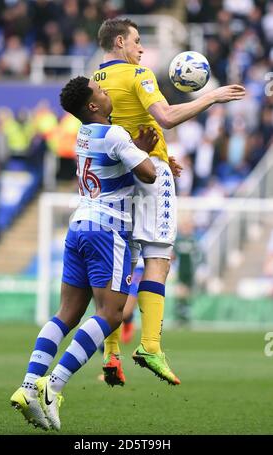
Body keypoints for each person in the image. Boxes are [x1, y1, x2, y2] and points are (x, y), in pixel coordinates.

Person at [95, 18, 245, 386]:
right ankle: (149, 345)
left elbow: (118, 130)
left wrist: (157, 150)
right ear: (120, 42)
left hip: (118, 176)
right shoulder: (138, 74)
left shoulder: (93, 83)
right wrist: (210, 96)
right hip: (149, 176)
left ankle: (111, 353)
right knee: (159, 257)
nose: (141, 48)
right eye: (137, 40)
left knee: (124, 265)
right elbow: (165, 116)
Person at [10, 76, 158, 431]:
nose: (107, 94)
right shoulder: (114, 135)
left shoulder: (83, 134)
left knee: (66, 313)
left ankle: (29, 385)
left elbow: (113, 159)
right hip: (109, 230)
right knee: (112, 314)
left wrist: (131, 147)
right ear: (92, 105)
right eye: (102, 92)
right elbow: (150, 174)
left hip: (80, 226)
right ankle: (54, 386)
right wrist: (143, 152)